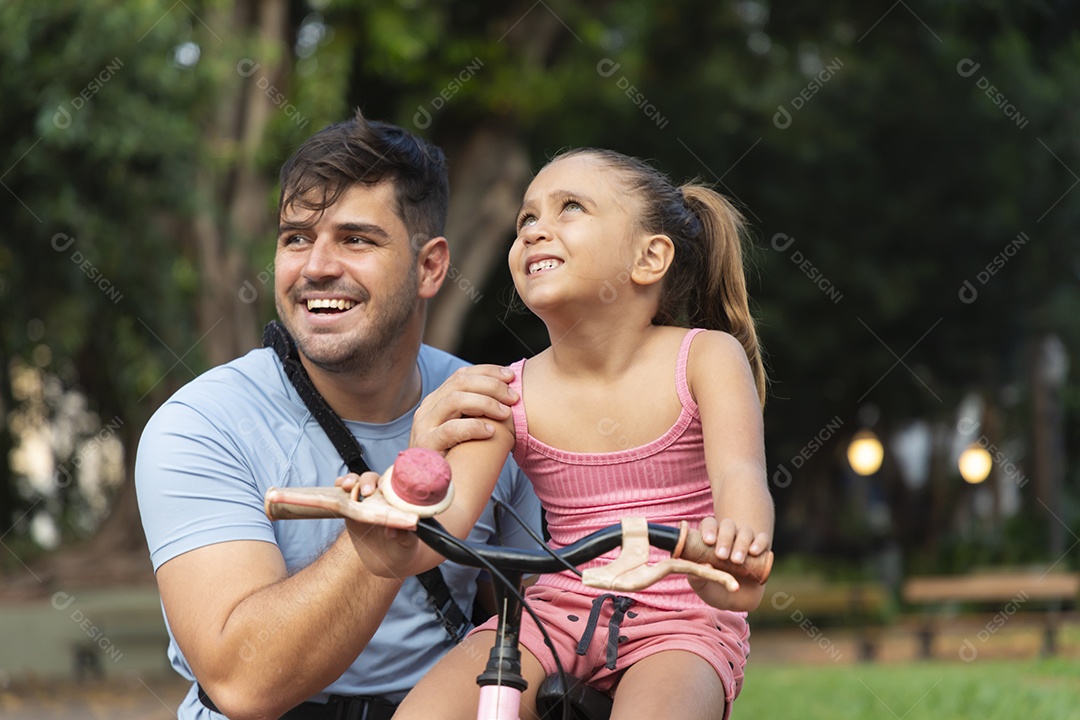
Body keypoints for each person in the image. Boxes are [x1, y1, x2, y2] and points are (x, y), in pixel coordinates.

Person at [133, 110, 542, 720]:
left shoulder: (491, 408)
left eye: (355, 239)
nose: (316, 266)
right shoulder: (201, 425)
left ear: (430, 267)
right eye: (296, 238)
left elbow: (539, 616)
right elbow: (243, 683)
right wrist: (405, 493)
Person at [350, 147, 774, 720]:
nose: (533, 230)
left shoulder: (705, 358)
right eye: (526, 218)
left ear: (650, 257)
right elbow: (437, 534)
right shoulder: (504, 392)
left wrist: (736, 548)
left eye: (570, 207)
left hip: (682, 619)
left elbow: (739, 475)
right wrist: (386, 526)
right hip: (551, 614)